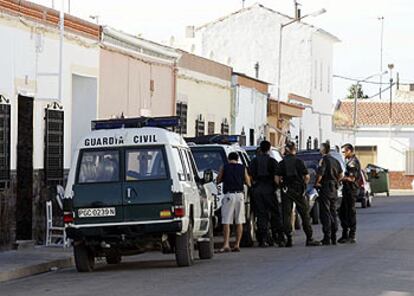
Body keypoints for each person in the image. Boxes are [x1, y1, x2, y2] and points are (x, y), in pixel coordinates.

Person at [276, 141, 321, 247]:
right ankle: (309, 238)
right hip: (298, 190)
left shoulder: (281, 163)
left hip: (286, 190)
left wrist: (281, 186)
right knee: (304, 214)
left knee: (286, 214)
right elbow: (307, 177)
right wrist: (303, 186)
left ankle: (288, 238)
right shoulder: (299, 161)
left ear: (286, 150)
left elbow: (276, 178)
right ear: (293, 150)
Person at [250, 141, 285, 248]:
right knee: (275, 213)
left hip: (257, 189)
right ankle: (278, 237)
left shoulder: (254, 161)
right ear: (269, 149)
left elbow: (250, 176)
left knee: (261, 214)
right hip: (269, 189)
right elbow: (276, 177)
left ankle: (263, 239)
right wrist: (277, 187)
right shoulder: (272, 161)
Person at [216, 152, 251, 252]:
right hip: (240, 195)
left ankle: (226, 244)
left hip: (229, 195)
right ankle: (237, 244)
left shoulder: (224, 167)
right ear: (238, 158)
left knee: (226, 221)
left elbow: (218, 180)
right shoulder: (242, 167)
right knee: (239, 221)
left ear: (228, 158)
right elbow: (248, 182)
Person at [315, 142, 343, 245]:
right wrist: (336, 182)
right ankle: (334, 236)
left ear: (323, 150)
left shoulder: (324, 160)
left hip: (326, 187)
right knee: (333, 211)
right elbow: (341, 174)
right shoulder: (336, 160)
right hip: (334, 188)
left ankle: (327, 236)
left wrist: (317, 182)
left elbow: (320, 174)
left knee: (325, 212)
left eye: (320, 149)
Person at [338, 143, 361, 244]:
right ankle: (345, 234)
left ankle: (351, 235)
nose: (343, 154)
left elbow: (352, 178)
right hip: (347, 190)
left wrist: (341, 178)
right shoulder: (349, 161)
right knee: (343, 211)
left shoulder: (353, 163)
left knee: (350, 212)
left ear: (349, 151)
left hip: (351, 190)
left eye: (344, 152)